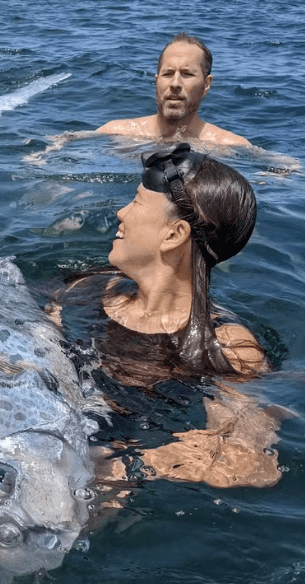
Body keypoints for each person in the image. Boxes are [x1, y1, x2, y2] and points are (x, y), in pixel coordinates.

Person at [46, 143, 285, 489]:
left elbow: (247, 461)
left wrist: (124, 465)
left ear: (174, 235)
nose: (121, 214)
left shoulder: (226, 345)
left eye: (137, 203)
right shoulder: (85, 289)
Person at [96, 33, 250, 146]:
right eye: (167, 74)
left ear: (206, 84)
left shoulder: (227, 145)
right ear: (156, 81)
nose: (175, 83)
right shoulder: (116, 133)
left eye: (187, 74)